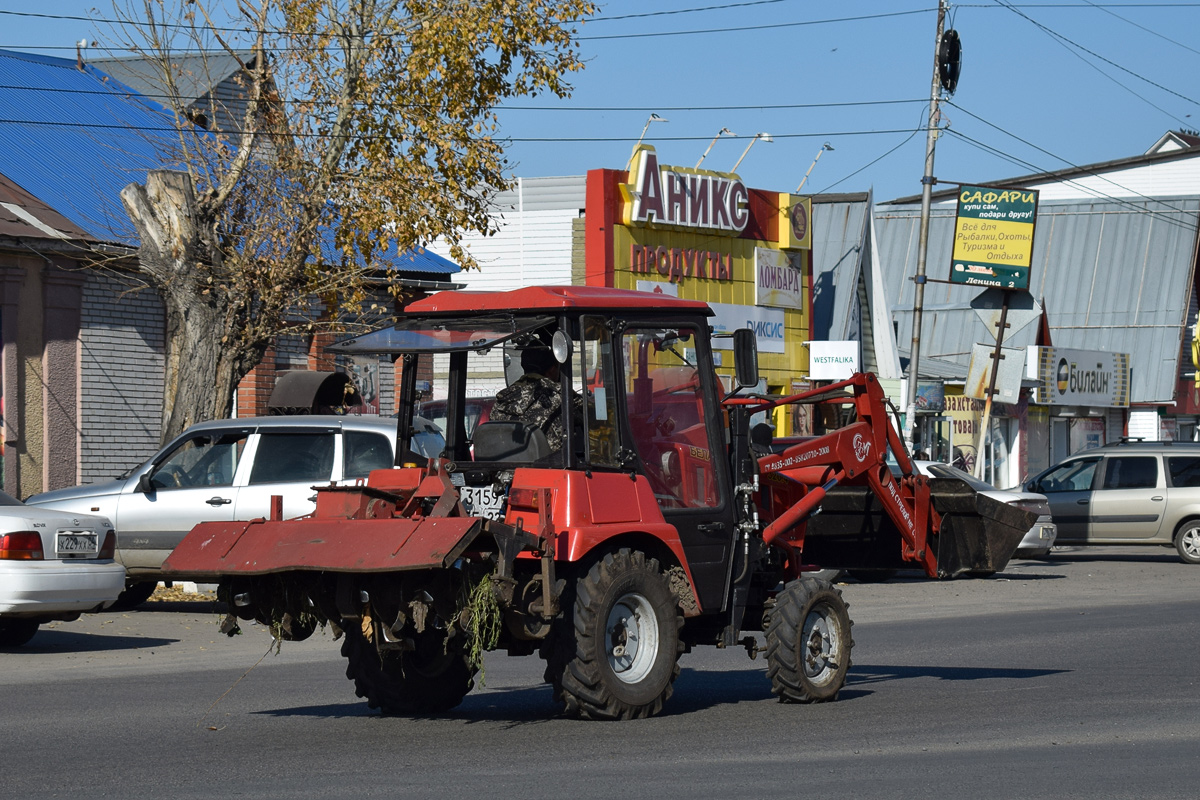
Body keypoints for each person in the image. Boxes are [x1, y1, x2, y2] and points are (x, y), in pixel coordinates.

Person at [491, 346, 581, 454]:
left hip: (505, 469)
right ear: (553, 369)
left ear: (523, 365)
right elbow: (593, 420)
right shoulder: (562, 395)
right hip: (550, 469)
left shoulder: (502, 400)